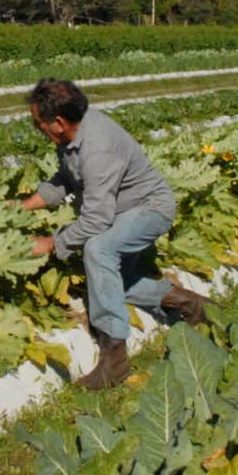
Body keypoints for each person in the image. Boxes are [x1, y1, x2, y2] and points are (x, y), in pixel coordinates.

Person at [20, 78, 210, 390]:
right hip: (123, 211)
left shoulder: (98, 149)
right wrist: (26, 206)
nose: (35, 127)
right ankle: (192, 305)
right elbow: (67, 180)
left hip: (150, 209)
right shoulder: (72, 135)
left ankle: (115, 361)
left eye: (36, 122)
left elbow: (96, 220)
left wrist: (53, 243)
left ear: (57, 123)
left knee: (98, 250)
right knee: (111, 285)